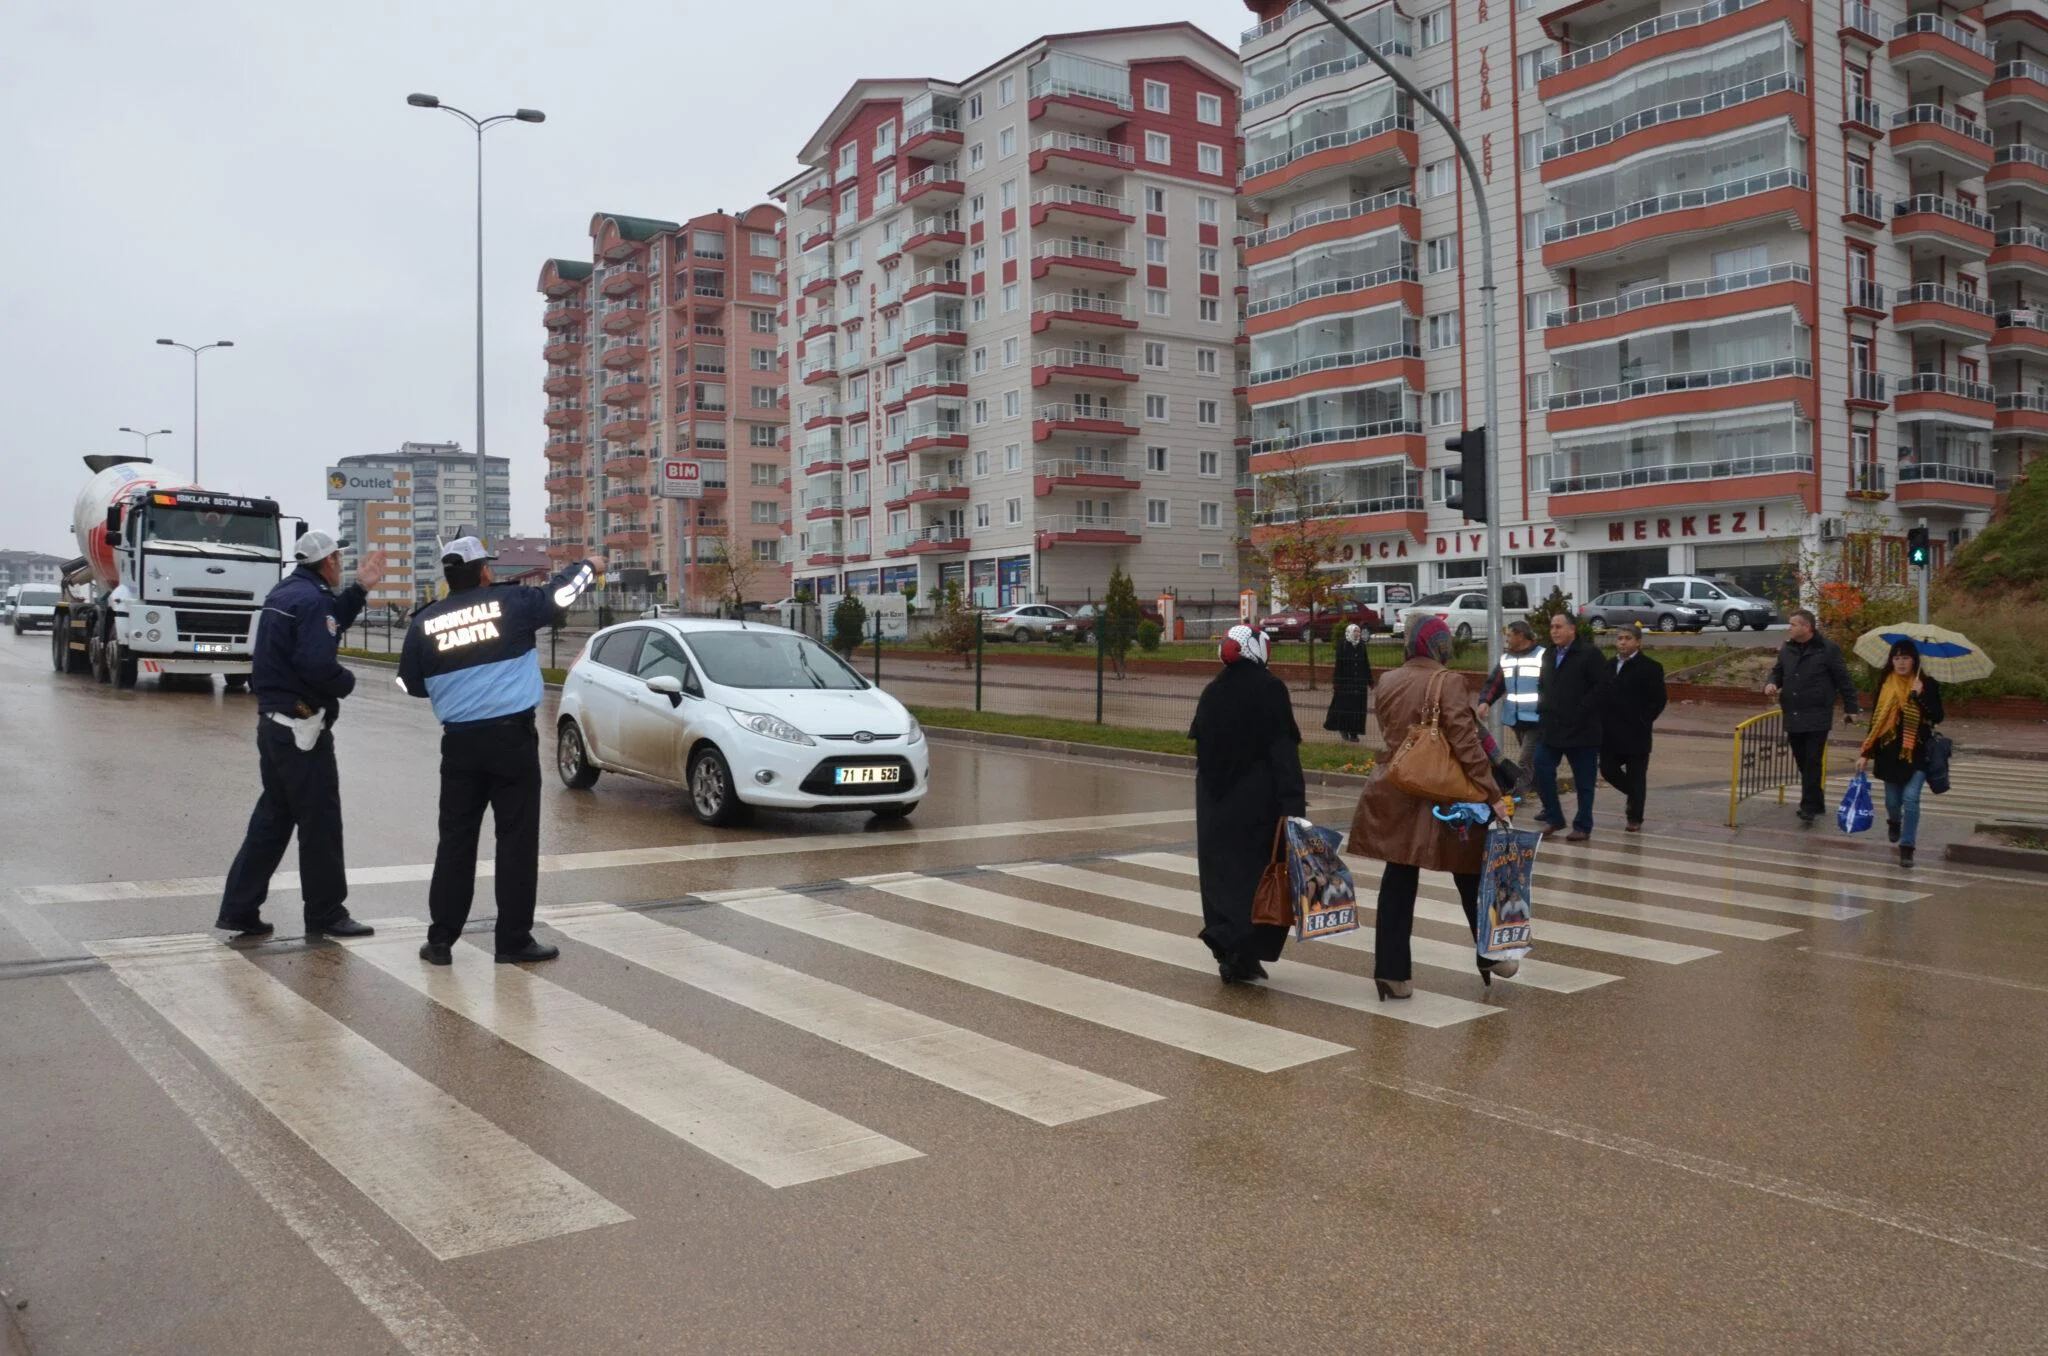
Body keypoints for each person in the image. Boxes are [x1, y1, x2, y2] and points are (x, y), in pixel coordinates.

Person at [398, 539, 603, 966]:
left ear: (448, 577)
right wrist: (589, 566)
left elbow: (411, 685)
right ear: (483, 572)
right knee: (515, 842)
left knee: (455, 843)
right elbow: (561, 594)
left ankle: (440, 941)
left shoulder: (425, 623)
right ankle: (512, 941)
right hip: (511, 741)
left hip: (459, 745)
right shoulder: (512, 602)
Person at [216, 533, 387, 940]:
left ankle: (239, 908)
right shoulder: (313, 601)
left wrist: (360, 589)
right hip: (301, 728)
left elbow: (326, 626)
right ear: (326, 562)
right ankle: (326, 912)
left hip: (274, 726)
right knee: (320, 823)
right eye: (339, 557)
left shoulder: (288, 592)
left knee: (272, 821)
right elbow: (316, 660)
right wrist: (345, 681)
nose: (342, 562)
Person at [1348, 616, 1516, 999]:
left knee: (1399, 878)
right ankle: (1490, 955)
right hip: (1445, 793)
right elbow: (1466, 744)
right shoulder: (1449, 681)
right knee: (1470, 874)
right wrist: (1492, 794)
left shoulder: (1388, 680)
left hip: (1398, 788)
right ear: (1439, 645)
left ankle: (1392, 973)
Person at [1188, 624, 1306, 984]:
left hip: (1213, 801)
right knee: (1259, 879)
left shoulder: (1213, 691)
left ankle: (1230, 948)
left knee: (1223, 878)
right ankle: (1241, 952)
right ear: (1254, 649)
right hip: (1257, 804)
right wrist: (1294, 805)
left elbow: (1202, 750)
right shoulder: (1269, 690)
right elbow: (1282, 751)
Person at [1765, 608, 1860, 825]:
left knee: (1813, 761)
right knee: (1802, 761)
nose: (1789, 628)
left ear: (1807, 627)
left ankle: (1808, 807)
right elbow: (1778, 671)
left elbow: (1843, 680)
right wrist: (1771, 683)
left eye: (1793, 624)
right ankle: (1817, 801)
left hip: (1817, 713)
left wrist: (1851, 708)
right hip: (1793, 713)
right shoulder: (1787, 649)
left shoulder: (1827, 649)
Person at [1856, 637, 1944, 867]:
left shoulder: (1926, 683)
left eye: (1906, 658)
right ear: (1891, 661)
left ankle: (1907, 847)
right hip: (1889, 752)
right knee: (1892, 802)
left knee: (1911, 798)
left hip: (1917, 750)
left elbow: (1937, 717)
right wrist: (1865, 752)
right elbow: (1876, 720)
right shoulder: (1885, 683)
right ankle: (1894, 821)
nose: (1901, 663)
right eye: (1897, 658)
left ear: (1914, 661)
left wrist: (1920, 695)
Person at [1532, 610, 1608, 841]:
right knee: (1541, 768)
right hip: (1552, 728)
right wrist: (1543, 707)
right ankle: (1554, 817)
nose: (1554, 631)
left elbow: (1602, 687)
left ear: (1572, 629)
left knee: (1584, 782)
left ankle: (1583, 825)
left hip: (1582, 731)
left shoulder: (1589, 654)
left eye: (1559, 626)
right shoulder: (1548, 654)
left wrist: (1580, 711)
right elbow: (1544, 685)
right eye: (1552, 627)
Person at [1599, 623, 1668, 832]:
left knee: (1637, 775)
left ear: (1638, 642)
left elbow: (1659, 699)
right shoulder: (1608, 666)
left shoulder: (1651, 667)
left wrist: (1644, 719)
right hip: (1610, 733)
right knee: (1608, 770)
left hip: (1637, 733)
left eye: (1628, 638)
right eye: (1620, 638)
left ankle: (1634, 818)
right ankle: (1635, 793)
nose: (1623, 642)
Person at [1476, 620, 1544, 766]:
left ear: (1520, 636)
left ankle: (1527, 787)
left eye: (1509, 635)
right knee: (1533, 762)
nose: (1506, 639)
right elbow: (1494, 683)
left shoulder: (1542, 655)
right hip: (1516, 719)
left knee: (1525, 760)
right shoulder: (1506, 659)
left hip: (1538, 719)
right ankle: (1538, 787)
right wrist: (1484, 702)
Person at [1323, 622, 1372, 742]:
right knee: (1347, 708)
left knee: (1358, 709)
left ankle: (1355, 733)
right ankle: (1344, 729)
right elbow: (1339, 665)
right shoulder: (1343, 645)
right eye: (1355, 631)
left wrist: (1369, 679)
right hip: (1346, 683)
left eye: (1358, 631)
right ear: (1350, 632)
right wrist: (1337, 682)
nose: (1357, 633)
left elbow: (1365, 663)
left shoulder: (1361, 645)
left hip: (1359, 683)